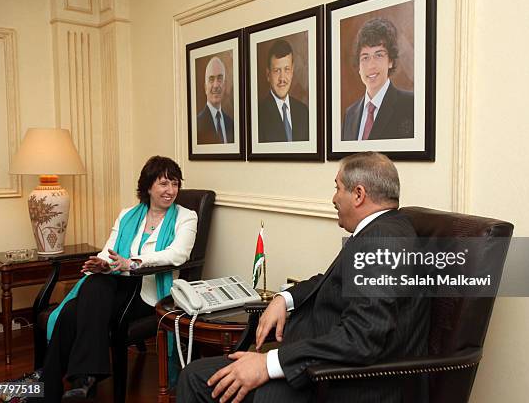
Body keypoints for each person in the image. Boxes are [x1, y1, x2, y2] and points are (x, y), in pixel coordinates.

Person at [177, 152, 429, 403]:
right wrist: (283, 299)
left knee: (195, 378)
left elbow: (360, 338)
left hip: (341, 381)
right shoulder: (385, 230)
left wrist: (268, 363)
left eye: (337, 188)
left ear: (358, 194)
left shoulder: (381, 242)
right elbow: (329, 280)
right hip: (318, 361)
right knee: (203, 374)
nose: (333, 199)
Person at [32, 156, 198, 402]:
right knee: (94, 284)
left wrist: (132, 263)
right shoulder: (128, 215)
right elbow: (108, 252)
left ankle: (53, 387)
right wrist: (103, 264)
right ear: (149, 186)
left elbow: (178, 254)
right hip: (115, 283)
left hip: (148, 289)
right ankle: (83, 380)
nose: (170, 191)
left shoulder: (186, 216)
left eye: (175, 184)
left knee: (72, 311)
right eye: (164, 184)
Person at [342, 18, 414, 141]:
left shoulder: (411, 105)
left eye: (379, 55)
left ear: (390, 61)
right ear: (359, 67)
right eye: (365, 57)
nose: (371, 65)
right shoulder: (350, 114)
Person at [258, 39, 309, 143]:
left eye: (287, 69)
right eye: (277, 71)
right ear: (268, 75)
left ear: (292, 71)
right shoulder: (258, 114)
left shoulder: (303, 112)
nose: (282, 78)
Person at [197, 56, 234, 144]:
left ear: (224, 85)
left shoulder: (231, 123)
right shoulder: (197, 124)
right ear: (205, 87)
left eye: (219, 79)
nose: (216, 85)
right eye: (211, 79)